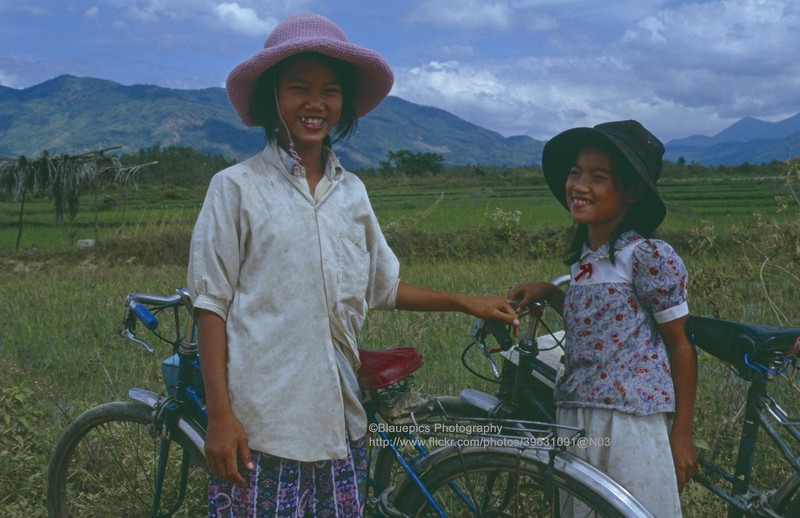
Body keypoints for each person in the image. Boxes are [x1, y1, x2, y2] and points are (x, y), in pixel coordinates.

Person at [187, 13, 518, 517]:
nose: (316, 103)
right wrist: (220, 415)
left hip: (339, 421)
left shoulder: (352, 194)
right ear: (273, 97)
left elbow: (382, 286)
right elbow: (210, 306)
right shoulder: (236, 188)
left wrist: (463, 302)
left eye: (330, 91)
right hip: (261, 425)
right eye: (299, 88)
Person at [509, 120, 698, 516]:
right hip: (576, 413)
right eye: (575, 172)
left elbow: (680, 344)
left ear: (631, 191)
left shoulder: (646, 257)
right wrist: (550, 292)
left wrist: (681, 435)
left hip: (630, 422)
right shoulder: (586, 261)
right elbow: (600, 327)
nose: (579, 185)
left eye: (598, 177)